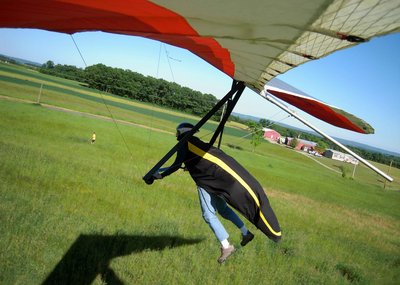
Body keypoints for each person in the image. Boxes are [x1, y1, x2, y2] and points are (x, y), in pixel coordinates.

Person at [146, 122, 281, 263]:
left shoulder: (185, 143)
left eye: (177, 132)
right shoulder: (196, 143)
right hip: (217, 182)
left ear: (181, 133)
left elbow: (175, 165)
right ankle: (245, 233)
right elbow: (195, 160)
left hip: (206, 182)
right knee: (223, 209)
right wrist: (190, 166)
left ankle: (226, 246)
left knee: (208, 215)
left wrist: (161, 175)